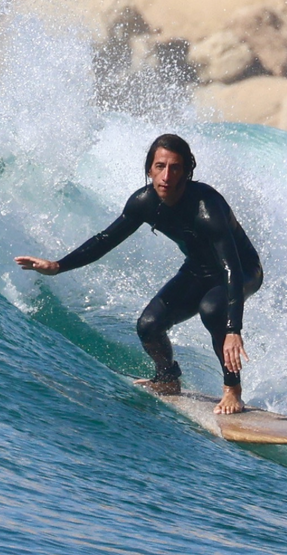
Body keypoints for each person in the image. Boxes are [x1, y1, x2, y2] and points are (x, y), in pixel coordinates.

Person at [14, 133, 263, 414]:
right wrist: (58, 266)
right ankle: (167, 379)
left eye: (175, 168)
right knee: (149, 326)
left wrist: (233, 329)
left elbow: (231, 267)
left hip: (242, 270)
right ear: (149, 169)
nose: (166, 176)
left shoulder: (207, 207)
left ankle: (233, 390)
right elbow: (105, 240)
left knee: (212, 308)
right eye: (160, 166)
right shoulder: (144, 202)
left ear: (186, 172)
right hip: (198, 270)